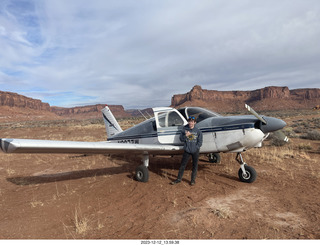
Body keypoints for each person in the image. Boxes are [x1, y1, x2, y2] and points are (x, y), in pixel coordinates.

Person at [171, 116, 203, 186]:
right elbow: (181, 139)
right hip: (187, 150)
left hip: (195, 151)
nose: (190, 123)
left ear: (195, 122)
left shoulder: (198, 131)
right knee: (183, 165)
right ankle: (178, 179)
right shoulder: (184, 130)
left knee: (195, 166)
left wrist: (196, 147)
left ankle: (192, 180)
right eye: (189, 121)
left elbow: (200, 142)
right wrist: (186, 135)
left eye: (192, 121)